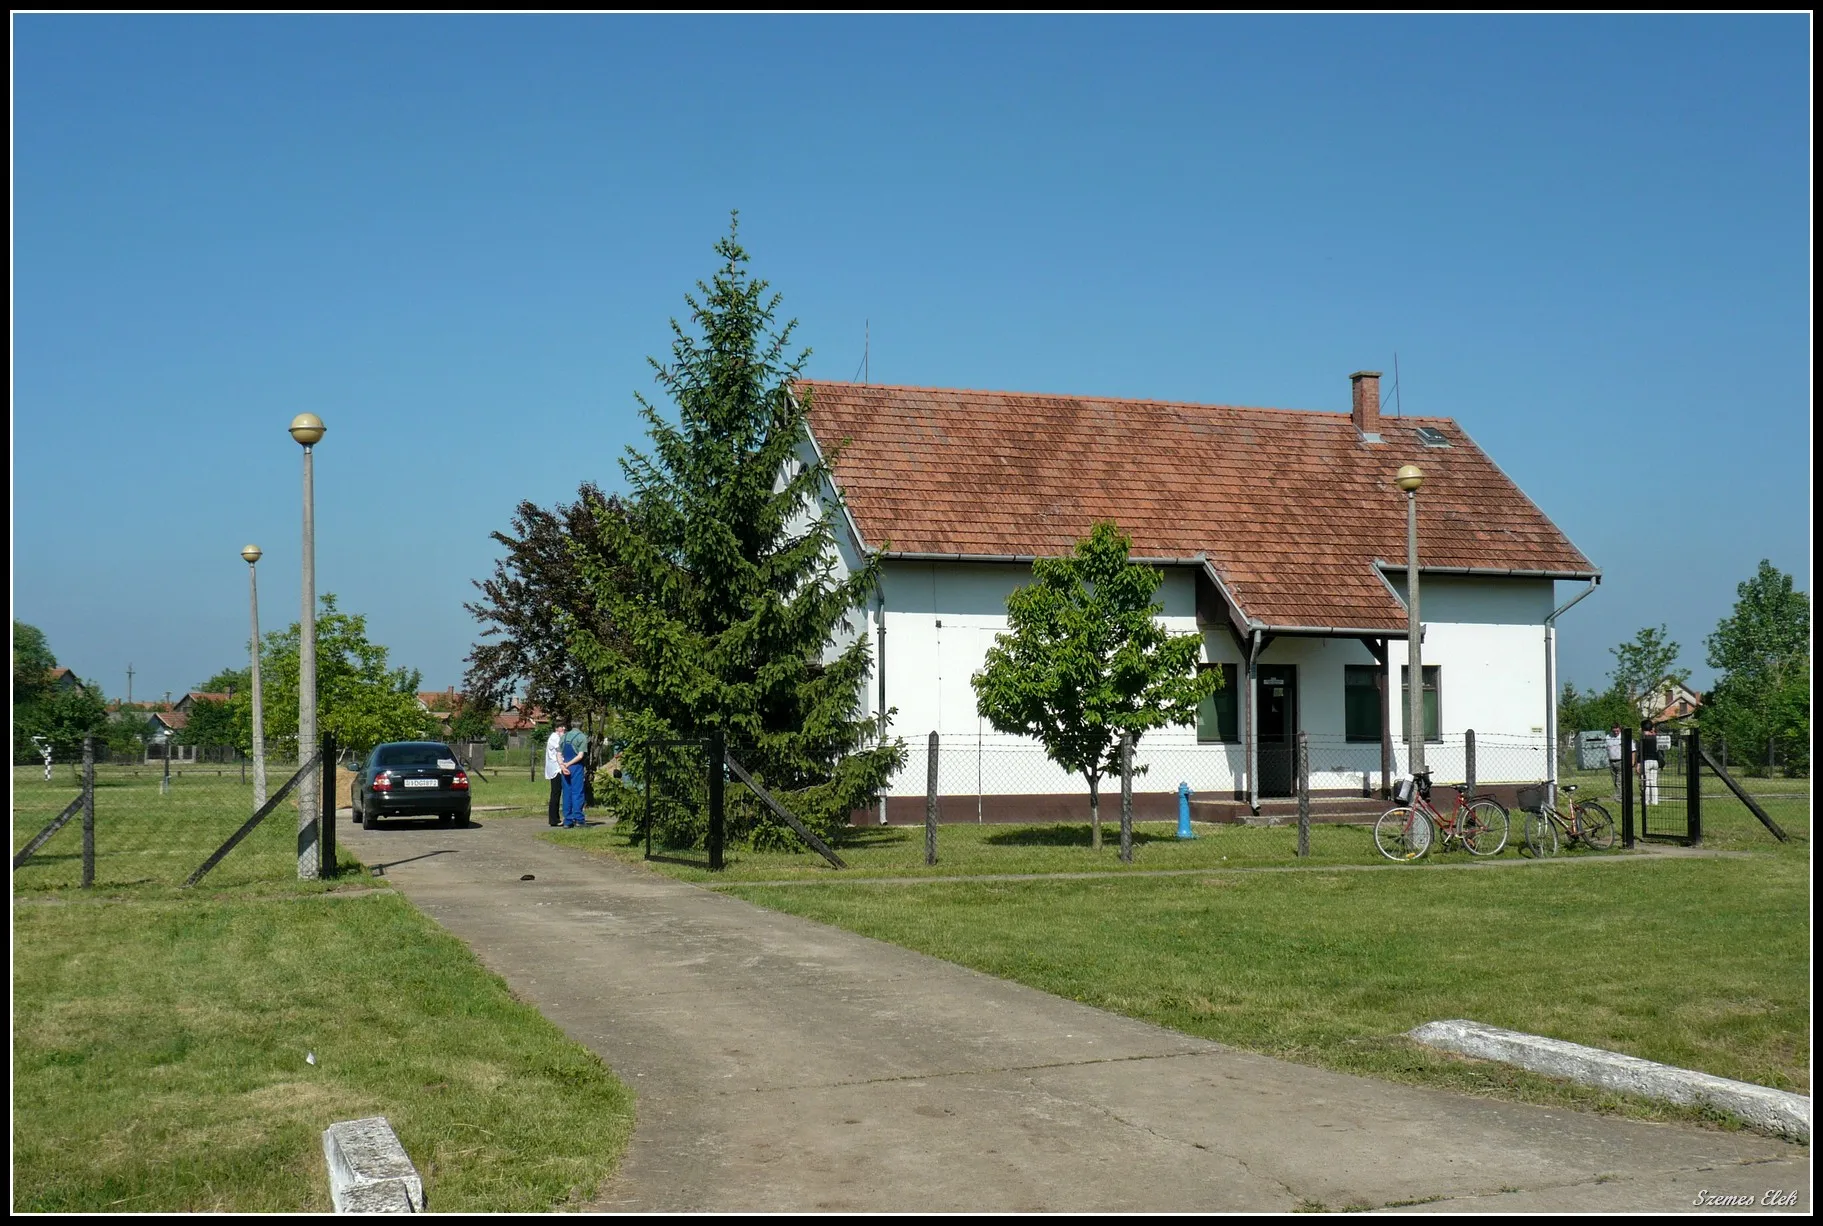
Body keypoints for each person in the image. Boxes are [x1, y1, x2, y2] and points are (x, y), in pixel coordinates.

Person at [558, 719, 589, 828]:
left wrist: (562, 765)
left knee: (567, 793)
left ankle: (568, 820)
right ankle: (579, 819)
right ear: (581, 726)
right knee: (577, 793)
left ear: (571, 725)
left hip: (565, 766)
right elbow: (580, 756)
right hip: (576, 766)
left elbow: (558, 753)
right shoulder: (582, 737)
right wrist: (569, 764)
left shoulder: (564, 737)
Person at [544, 721, 564, 827]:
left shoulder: (557, 737)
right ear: (557, 728)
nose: (564, 728)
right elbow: (560, 749)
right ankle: (553, 819)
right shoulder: (554, 737)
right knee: (555, 793)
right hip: (556, 769)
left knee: (557, 793)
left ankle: (555, 817)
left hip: (557, 768)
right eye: (561, 726)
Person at [1638, 719, 1662, 807]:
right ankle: (1655, 801)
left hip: (1646, 761)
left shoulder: (1643, 738)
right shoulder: (1655, 738)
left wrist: (1638, 763)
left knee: (1646, 782)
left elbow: (1640, 752)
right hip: (1655, 761)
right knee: (1654, 783)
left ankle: (1646, 801)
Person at [1605, 725, 1623, 797]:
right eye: (1614, 731)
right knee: (1615, 779)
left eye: (1617, 731)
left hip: (1620, 760)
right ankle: (1619, 793)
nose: (1615, 732)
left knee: (1619, 779)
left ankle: (1619, 795)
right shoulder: (1608, 737)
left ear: (1620, 730)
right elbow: (1605, 748)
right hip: (1611, 760)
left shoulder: (1622, 737)